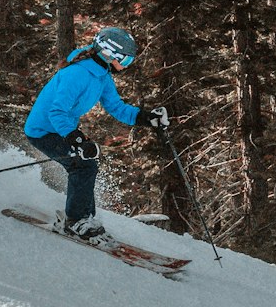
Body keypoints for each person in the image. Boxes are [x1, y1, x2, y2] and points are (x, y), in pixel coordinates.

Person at [23, 27, 169, 239]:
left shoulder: (102, 77)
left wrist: (147, 118)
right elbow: (57, 112)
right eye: (126, 61)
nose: (127, 66)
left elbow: (117, 108)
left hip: (63, 130)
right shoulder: (76, 74)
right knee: (82, 164)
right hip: (42, 131)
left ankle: (84, 217)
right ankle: (76, 221)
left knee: (86, 162)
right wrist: (77, 139)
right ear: (109, 53)